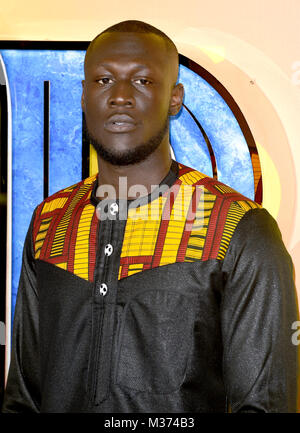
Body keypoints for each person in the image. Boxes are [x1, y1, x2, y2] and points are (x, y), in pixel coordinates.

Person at [1, 20, 299, 413]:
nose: (120, 96)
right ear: (83, 97)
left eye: (142, 81)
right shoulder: (49, 222)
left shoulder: (237, 227)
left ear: (175, 99)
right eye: (103, 80)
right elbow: (24, 398)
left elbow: (266, 404)